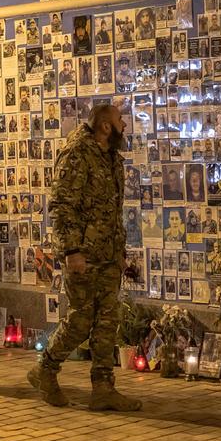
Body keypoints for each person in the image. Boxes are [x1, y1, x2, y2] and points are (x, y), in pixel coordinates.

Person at [29, 105, 140, 411]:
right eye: (120, 121)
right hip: (84, 255)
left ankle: (103, 387)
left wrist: (118, 252)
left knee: (108, 321)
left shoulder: (110, 158)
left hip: (107, 254)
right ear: (106, 126)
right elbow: (63, 206)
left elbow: (112, 211)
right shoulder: (77, 154)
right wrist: (71, 251)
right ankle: (45, 369)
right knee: (80, 320)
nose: (125, 125)